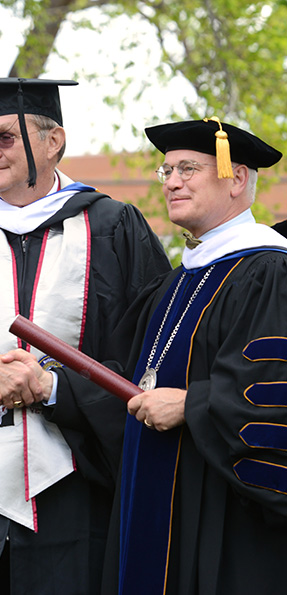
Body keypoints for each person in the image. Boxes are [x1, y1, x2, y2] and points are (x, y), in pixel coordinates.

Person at [0, 77, 171, 595]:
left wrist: (54, 388)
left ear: (53, 142)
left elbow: (147, 350)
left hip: (76, 477)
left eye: (5, 137)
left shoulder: (112, 227)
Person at [96, 116, 287, 595]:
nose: (172, 182)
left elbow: (273, 400)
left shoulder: (269, 273)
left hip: (226, 522)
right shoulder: (175, 283)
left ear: (237, 178)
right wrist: (51, 382)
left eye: (188, 169)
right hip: (154, 505)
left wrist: (189, 405)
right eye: (166, 172)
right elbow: (127, 376)